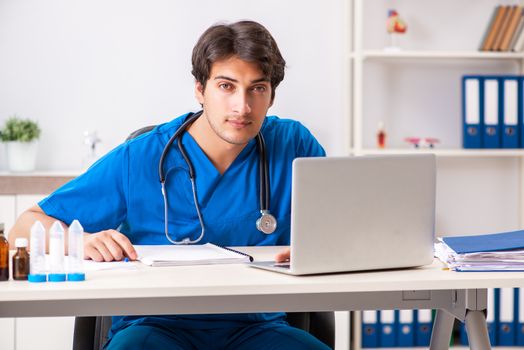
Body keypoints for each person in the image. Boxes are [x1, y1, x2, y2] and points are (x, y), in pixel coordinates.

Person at [9, 20, 327, 349]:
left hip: (256, 326)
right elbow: (24, 227)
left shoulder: (293, 145)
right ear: (200, 89)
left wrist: (320, 247)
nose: (242, 106)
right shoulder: (142, 157)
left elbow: (341, 232)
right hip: (156, 325)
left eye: (257, 88)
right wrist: (85, 240)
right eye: (226, 86)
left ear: (272, 95)